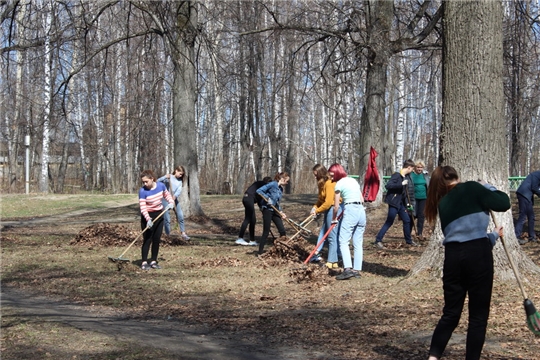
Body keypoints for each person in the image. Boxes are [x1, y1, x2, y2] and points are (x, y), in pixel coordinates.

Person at [425, 166, 510, 360]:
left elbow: (462, 237)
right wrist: (487, 187)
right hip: (478, 256)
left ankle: (433, 357)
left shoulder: (443, 203)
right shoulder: (473, 188)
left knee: (451, 313)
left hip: (453, 257)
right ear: (457, 177)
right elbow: (503, 202)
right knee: (478, 317)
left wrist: (494, 235)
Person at [329, 163, 366, 280]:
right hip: (361, 211)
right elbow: (362, 199)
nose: (331, 178)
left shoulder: (339, 184)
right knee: (357, 241)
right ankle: (356, 270)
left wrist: (334, 219)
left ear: (337, 173)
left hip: (350, 210)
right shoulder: (353, 181)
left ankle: (347, 269)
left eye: (331, 175)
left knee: (343, 240)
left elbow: (336, 206)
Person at [374, 159, 418, 249]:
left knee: (407, 220)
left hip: (401, 203)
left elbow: (405, 192)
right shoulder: (397, 175)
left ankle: (408, 241)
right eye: (411, 169)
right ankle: (378, 240)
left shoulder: (406, 176)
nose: (412, 171)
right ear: (408, 167)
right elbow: (388, 186)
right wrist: (401, 184)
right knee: (389, 221)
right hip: (394, 202)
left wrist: (407, 204)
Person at [139, 169, 175, 270]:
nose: (145, 183)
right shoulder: (142, 191)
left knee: (156, 239)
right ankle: (144, 262)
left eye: (146, 181)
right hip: (147, 216)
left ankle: (153, 261)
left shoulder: (161, 186)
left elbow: (167, 195)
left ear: (152, 178)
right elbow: (143, 208)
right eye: (143, 182)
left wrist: (171, 202)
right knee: (147, 239)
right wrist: (148, 220)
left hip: (159, 215)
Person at [309, 164, 341, 266]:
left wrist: (317, 211)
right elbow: (321, 199)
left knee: (331, 235)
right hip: (328, 209)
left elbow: (327, 203)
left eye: (316, 175)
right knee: (323, 231)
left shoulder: (329, 183)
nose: (315, 177)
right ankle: (317, 252)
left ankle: (333, 259)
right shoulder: (321, 184)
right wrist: (314, 207)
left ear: (321, 173)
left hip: (334, 208)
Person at [256, 172, 290, 255]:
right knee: (266, 232)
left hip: (274, 210)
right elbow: (259, 191)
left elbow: (277, 203)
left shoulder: (280, 189)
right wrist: (268, 198)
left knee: (282, 231)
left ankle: (282, 251)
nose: (287, 183)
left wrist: (281, 212)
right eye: (287, 181)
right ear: (282, 179)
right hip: (267, 209)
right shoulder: (272, 184)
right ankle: (260, 253)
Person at [235, 176, 272, 246]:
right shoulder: (263, 185)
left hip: (246, 199)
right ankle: (240, 238)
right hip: (249, 199)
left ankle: (252, 240)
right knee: (248, 218)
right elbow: (260, 197)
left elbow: (258, 199)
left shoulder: (258, 184)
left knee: (253, 220)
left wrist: (261, 208)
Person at [157, 165, 190, 241]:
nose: (180, 175)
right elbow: (157, 181)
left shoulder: (180, 181)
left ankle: (183, 233)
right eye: (180, 173)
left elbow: (178, 190)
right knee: (167, 218)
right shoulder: (169, 177)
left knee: (180, 215)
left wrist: (174, 197)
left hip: (174, 199)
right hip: (165, 199)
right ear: (176, 171)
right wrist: (165, 177)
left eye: (182, 174)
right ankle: (168, 235)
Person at [514, 170, 540, 244]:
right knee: (523, 216)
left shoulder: (537, 174)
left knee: (531, 217)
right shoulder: (537, 175)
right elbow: (534, 187)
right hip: (524, 194)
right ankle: (517, 236)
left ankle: (532, 236)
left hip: (526, 195)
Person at [410, 160, 430, 240]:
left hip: (423, 198)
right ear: (415, 167)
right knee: (413, 215)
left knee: (421, 216)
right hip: (413, 199)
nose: (419, 169)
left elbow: (428, 185)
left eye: (421, 167)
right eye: (418, 167)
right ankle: (409, 232)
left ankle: (420, 233)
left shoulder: (425, 175)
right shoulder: (411, 175)